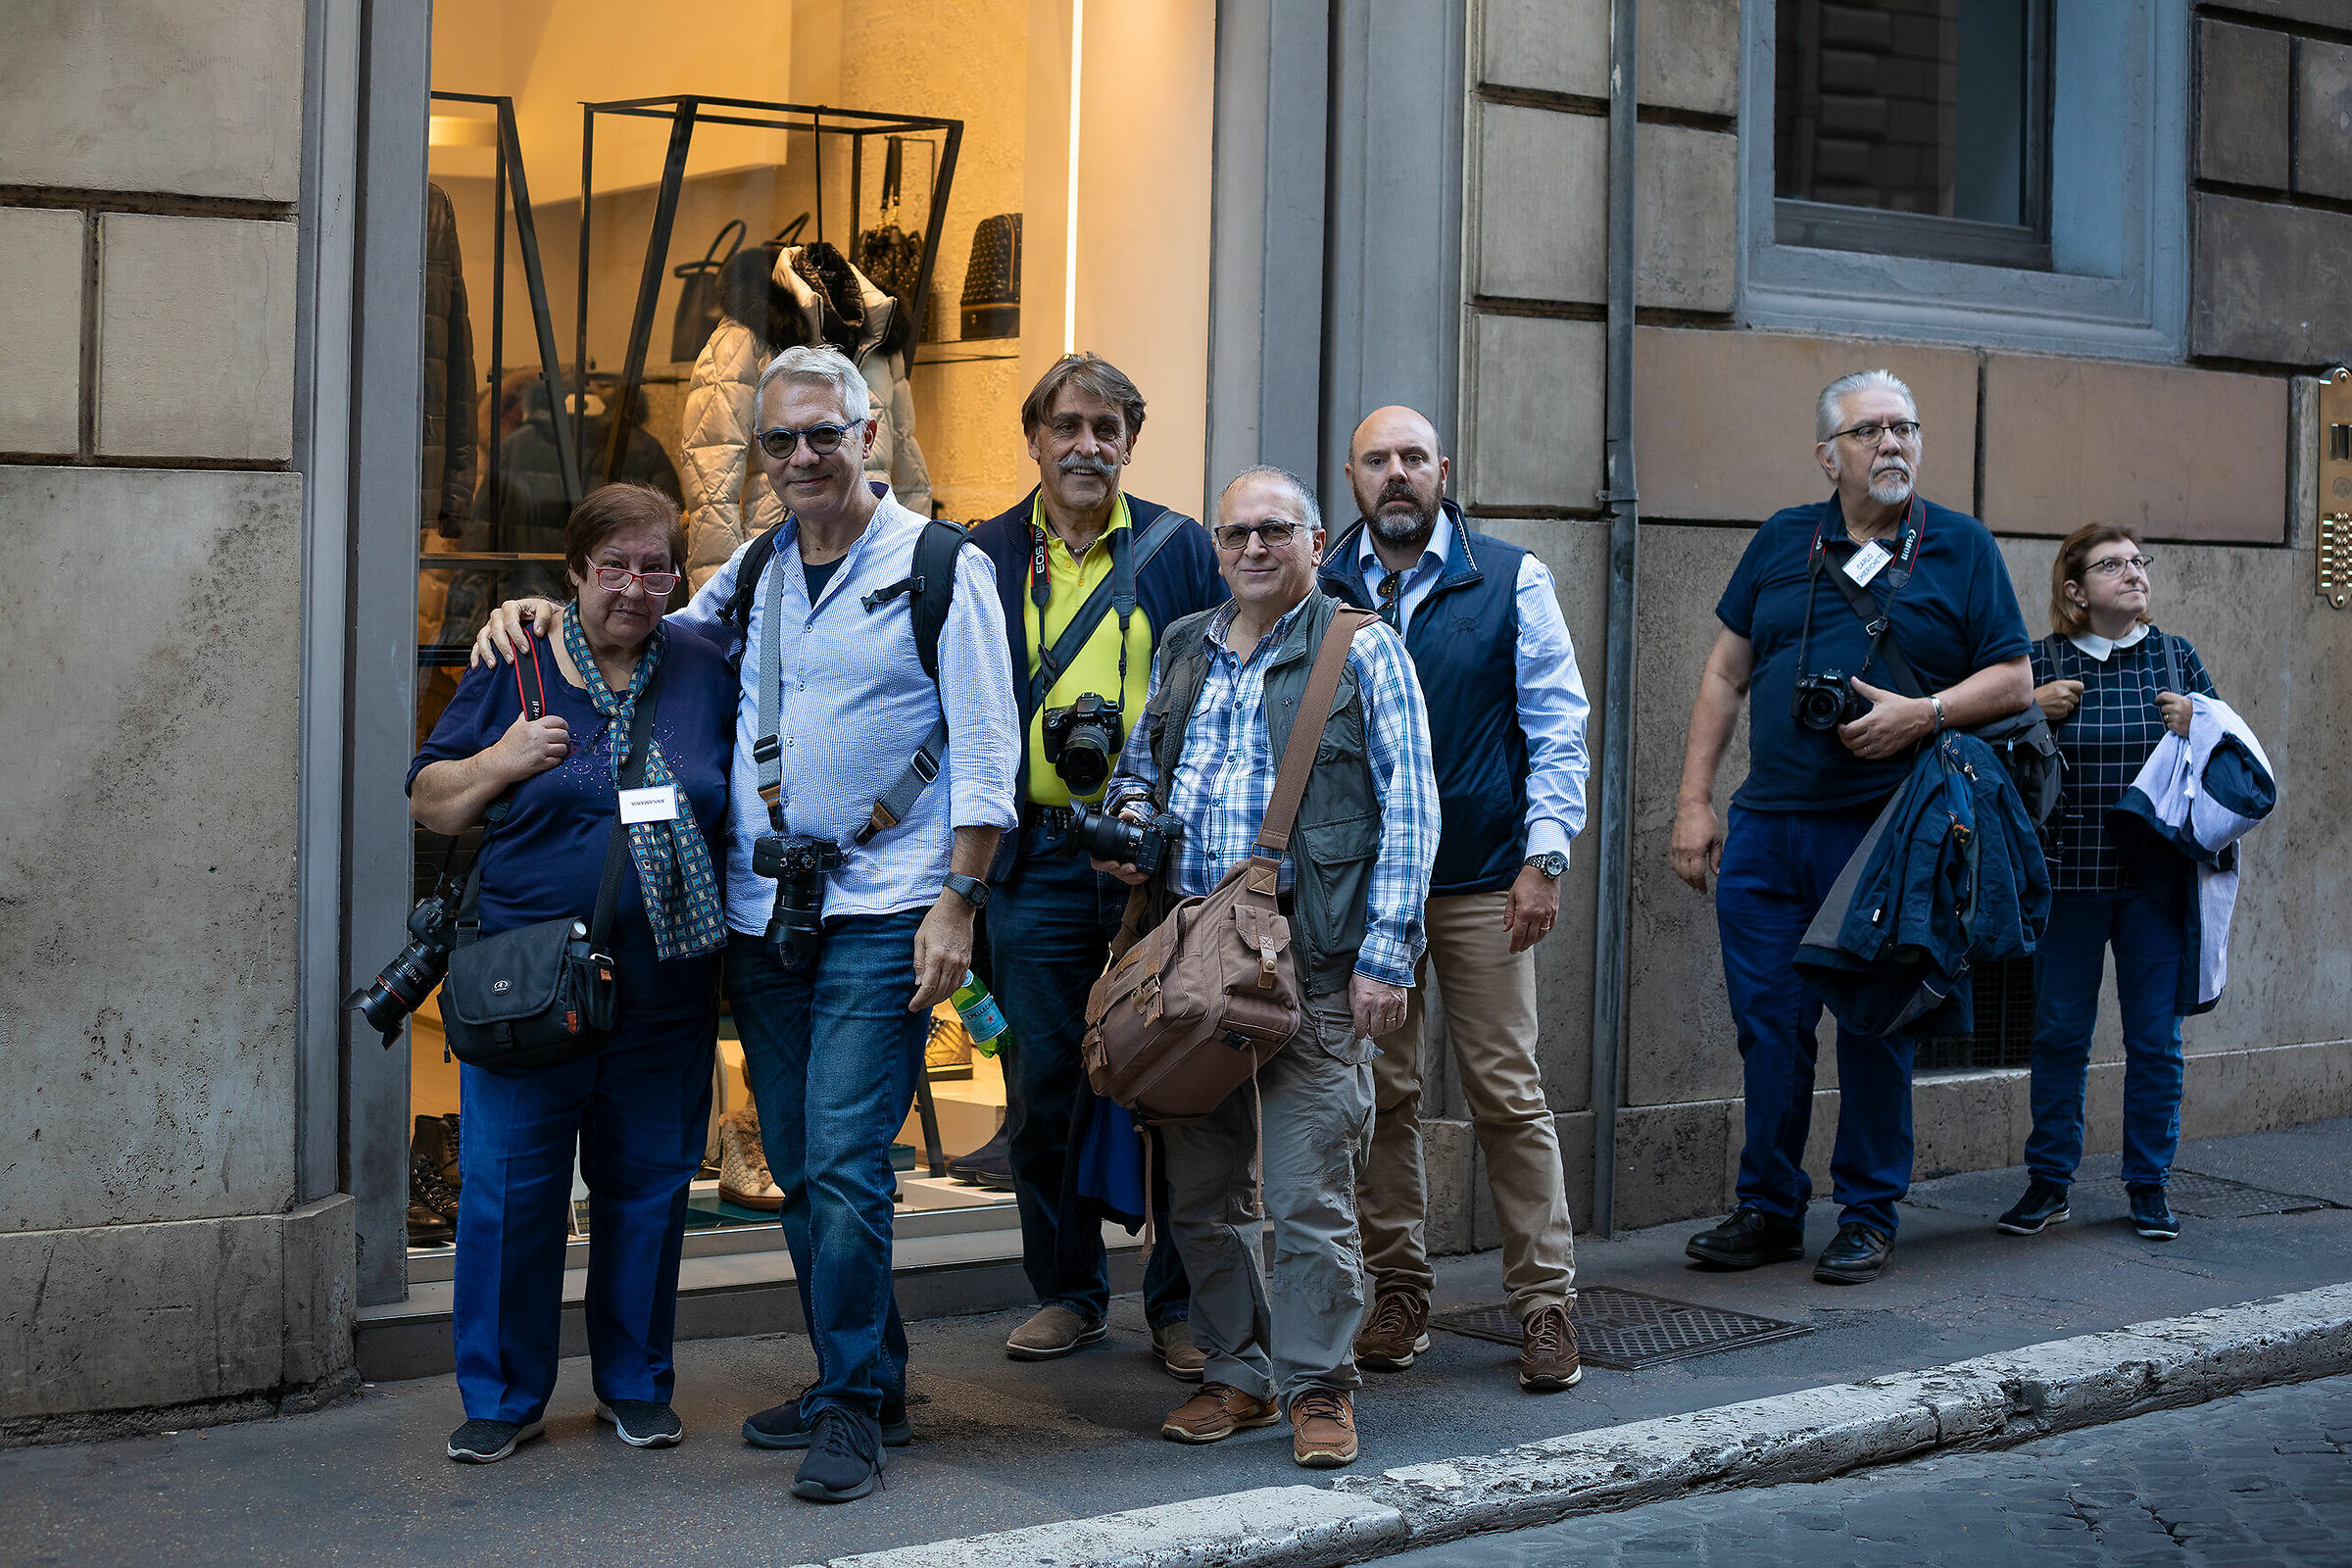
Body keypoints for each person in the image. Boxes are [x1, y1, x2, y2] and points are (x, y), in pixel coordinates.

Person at [473, 345, 1020, 1504]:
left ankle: (853, 1412)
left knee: (843, 1150)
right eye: (780, 441)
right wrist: (532, 608)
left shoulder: (940, 564)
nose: (803, 457)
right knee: (800, 1158)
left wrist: (959, 904)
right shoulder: (758, 566)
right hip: (765, 913)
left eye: (825, 433)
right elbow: (636, 628)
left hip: (887, 904)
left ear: (869, 433)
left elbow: (987, 747)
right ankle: (862, 1374)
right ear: (760, 454)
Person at [1101, 466, 1440, 1470]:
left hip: (1318, 964)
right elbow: (1139, 771)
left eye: (1273, 531)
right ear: (1215, 546)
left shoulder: (1363, 649)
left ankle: (1318, 1386)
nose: (1253, 548)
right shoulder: (1183, 646)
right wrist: (1125, 825)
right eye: (1236, 533)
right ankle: (1240, 1373)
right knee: (1200, 1199)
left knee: (1308, 1198)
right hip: (1194, 971)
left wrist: (1387, 956)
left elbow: (1412, 812)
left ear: (1317, 542)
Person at [1670, 369, 2034, 1286]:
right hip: (1766, 831)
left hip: (1889, 837)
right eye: (1871, 430)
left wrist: (1926, 713)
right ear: (1828, 454)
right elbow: (1724, 674)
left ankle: (1869, 1212)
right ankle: (1769, 1207)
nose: (1893, 445)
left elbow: (2016, 680)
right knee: (1768, 1026)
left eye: (1906, 427)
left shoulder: (1960, 547)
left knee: (1877, 1026)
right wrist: (1694, 801)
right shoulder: (1783, 540)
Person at [413, 483, 734, 1464]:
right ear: (575, 574)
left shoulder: (708, 664)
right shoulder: (516, 664)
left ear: (678, 575)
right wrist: (501, 761)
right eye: (614, 567)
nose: (634, 586)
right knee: (511, 1199)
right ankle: (503, 1395)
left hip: (664, 992)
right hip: (530, 991)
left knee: (647, 1194)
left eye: (654, 566)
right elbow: (430, 801)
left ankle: (636, 1386)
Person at [1319, 406, 1592, 1392]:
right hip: (1359, 893)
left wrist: (1545, 858)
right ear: (1351, 477)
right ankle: (1399, 1292)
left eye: (1413, 459)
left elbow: (1558, 724)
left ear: (1444, 468)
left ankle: (1545, 1302)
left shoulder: (1511, 577)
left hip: (1483, 879)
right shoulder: (1322, 582)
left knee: (1506, 1092)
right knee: (1378, 1096)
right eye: (1377, 460)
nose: (1396, 475)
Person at [965, 354, 1226, 1376]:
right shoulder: (982, 554)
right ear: (1033, 439)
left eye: (1107, 427)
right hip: (1030, 861)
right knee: (1041, 1086)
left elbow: (1226, 684)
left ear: (1129, 440)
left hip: (1154, 870)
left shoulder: (1181, 549)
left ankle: (1175, 1307)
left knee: (1172, 1081)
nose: (1087, 444)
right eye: (1067, 425)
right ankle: (1069, 1290)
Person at [1999, 524, 2215, 1245]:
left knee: (2156, 1039)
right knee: (2061, 1034)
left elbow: (2234, 755)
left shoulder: (2175, 658)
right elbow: (1993, 755)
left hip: (2155, 882)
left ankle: (2149, 1185)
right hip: (2068, 880)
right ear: (2074, 590)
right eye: (2112, 565)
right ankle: (2049, 1182)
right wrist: (2032, 706)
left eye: (2138, 562)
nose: (2133, 574)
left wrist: (2201, 722)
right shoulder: (2041, 660)